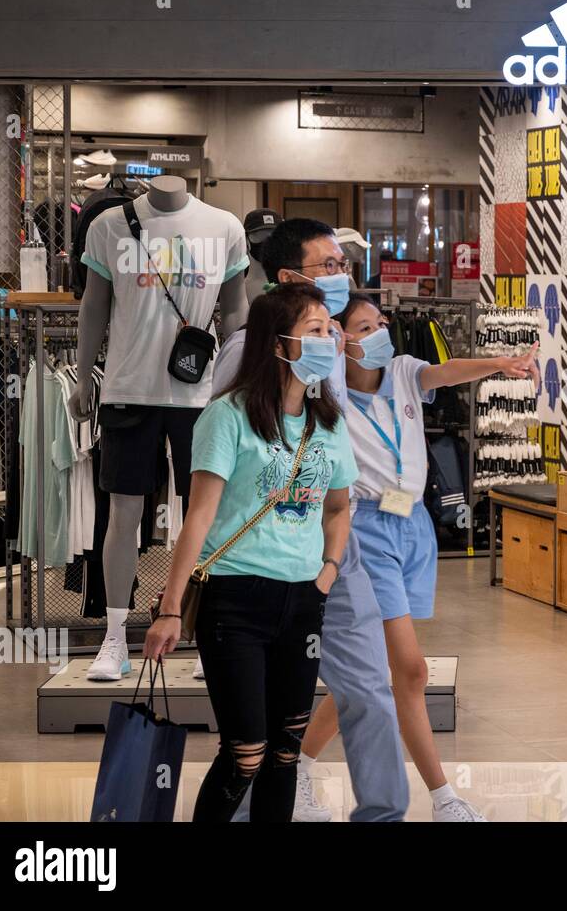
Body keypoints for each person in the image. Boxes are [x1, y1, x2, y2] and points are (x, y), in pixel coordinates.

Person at [294, 293, 538, 822]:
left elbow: (446, 372)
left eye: (382, 322)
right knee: (410, 671)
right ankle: (442, 795)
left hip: (414, 528)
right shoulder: (329, 383)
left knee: (371, 674)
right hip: (364, 530)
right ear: (342, 339)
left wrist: (499, 363)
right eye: (364, 326)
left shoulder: (403, 371)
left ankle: (298, 766)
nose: (380, 331)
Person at [212, 219, 410, 822]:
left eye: (341, 263)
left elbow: (338, 451)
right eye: (327, 265)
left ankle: (382, 813)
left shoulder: (329, 344)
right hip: (263, 561)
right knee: (262, 724)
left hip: (330, 547)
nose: (341, 274)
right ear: (290, 277)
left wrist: (330, 561)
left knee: (371, 686)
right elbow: (221, 466)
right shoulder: (243, 352)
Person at [144, 283, 358, 821]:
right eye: (315, 330)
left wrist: (327, 573)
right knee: (246, 754)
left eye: (331, 330)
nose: (329, 340)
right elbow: (199, 515)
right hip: (234, 602)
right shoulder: (227, 416)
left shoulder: (328, 423)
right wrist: (170, 610)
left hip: (303, 599)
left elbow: (338, 508)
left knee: (285, 754)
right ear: (278, 343)